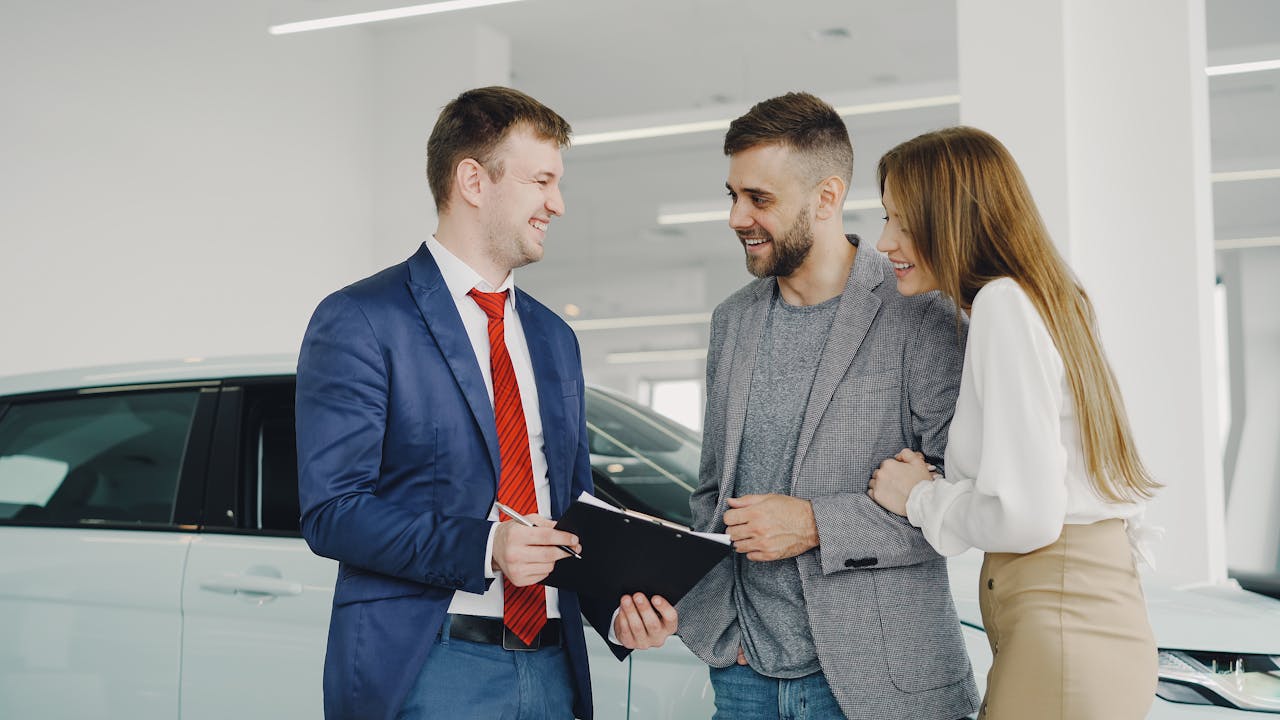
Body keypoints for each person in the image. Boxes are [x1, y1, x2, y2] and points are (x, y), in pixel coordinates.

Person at [296, 86, 677, 720]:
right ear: (473, 180)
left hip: (554, 668)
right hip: (431, 667)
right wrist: (484, 547)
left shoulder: (555, 337)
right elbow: (333, 511)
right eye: (541, 181)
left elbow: (573, 507)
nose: (557, 203)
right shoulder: (361, 318)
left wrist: (618, 610)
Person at [675, 92, 980, 720]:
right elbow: (712, 492)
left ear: (826, 197)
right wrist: (708, 624)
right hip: (745, 677)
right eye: (732, 195)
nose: (737, 217)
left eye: (759, 199)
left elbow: (964, 501)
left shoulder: (921, 314)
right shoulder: (732, 321)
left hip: (880, 683)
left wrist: (816, 524)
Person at [868, 126, 1160, 719]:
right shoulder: (1048, 297)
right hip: (1082, 618)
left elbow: (1025, 516)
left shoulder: (1004, 305)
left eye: (901, 221)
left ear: (950, 219)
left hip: (1061, 623)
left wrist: (920, 496)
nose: (883, 242)